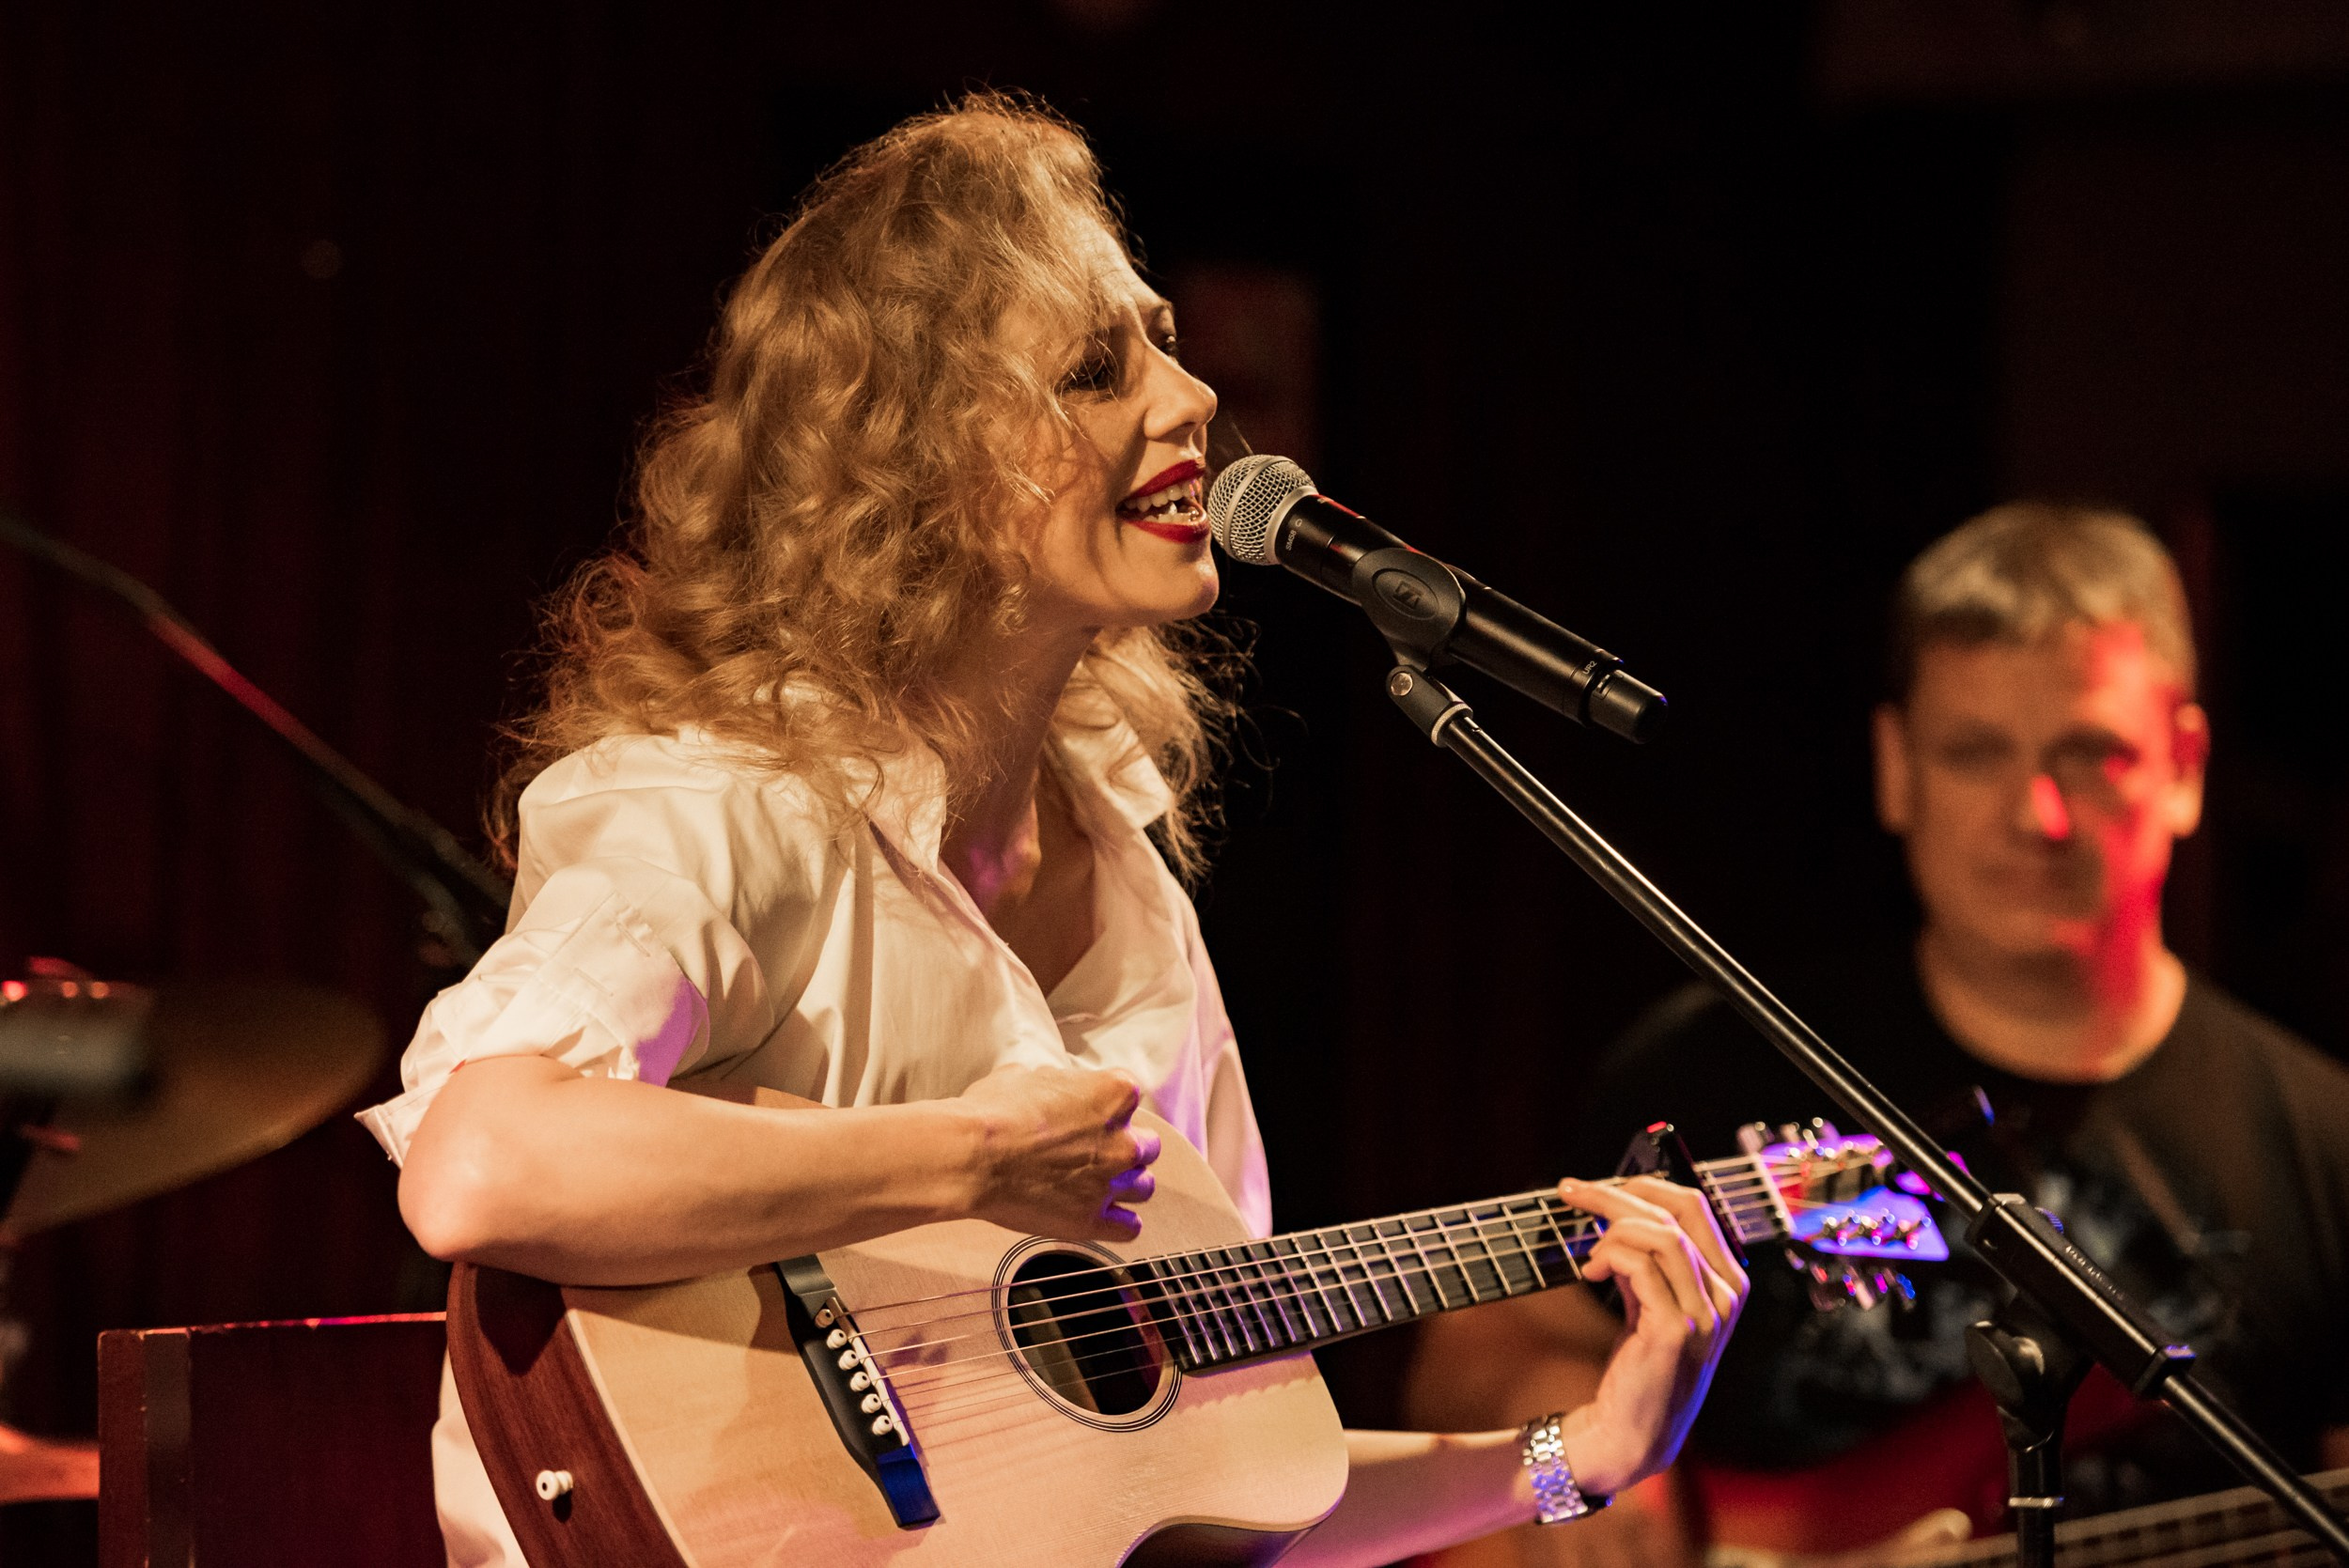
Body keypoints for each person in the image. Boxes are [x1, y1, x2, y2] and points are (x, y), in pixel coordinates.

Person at [355, 94, 1748, 1568]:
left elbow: (1207, 1489)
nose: (1192, 394)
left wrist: (1574, 1458)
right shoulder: (723, 804)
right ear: (912, 460)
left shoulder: (1130, 879)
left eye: (1162, 337)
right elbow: (479, 1166)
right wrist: (963, 1156)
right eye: (1099, 366)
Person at [1404, 504, 2349, 1567]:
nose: (2035, 813)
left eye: (2090, 753)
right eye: (1974, 752)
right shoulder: (1716, 1064)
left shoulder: (2321, 1142)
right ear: (1894, 764)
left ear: (2182, 764)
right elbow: (1482, 1346)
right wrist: (1576, 1462)